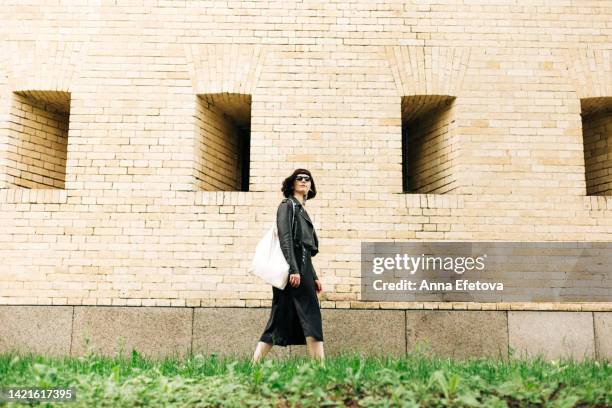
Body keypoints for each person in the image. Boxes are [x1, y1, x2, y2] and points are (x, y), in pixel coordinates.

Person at [252, 168, 325, 365]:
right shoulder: (287, 206)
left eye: (307, 179)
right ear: (292, 184)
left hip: (304, 269)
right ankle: (320, 368)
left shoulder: (301, 210)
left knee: (279, 318)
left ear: (310, 186)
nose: (303, 181)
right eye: (299, 178)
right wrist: (293, 269)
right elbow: (286, 239)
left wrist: (314, 276)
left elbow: (306, 248)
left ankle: (254, 365)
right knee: (311, 317)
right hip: (293, 270)